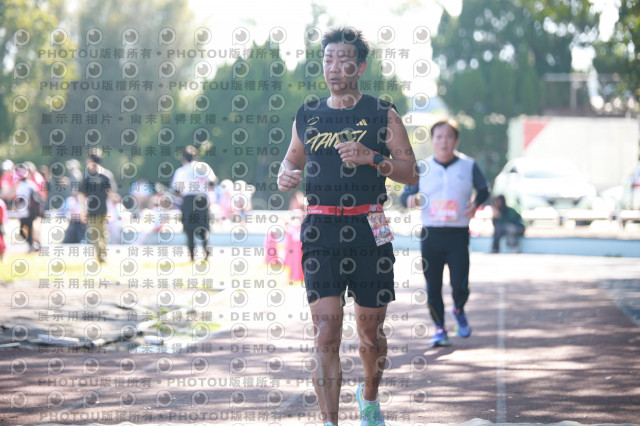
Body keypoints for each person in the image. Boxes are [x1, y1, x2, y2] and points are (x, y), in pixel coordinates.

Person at [277, 27, 418, 426]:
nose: (334, 67)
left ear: (361, 66)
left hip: (369, 229)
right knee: (325, 332)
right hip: (320, 230)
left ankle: (369, 397)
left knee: (371, 334)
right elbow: (291, 159)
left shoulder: (383, 113)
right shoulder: (308, 114)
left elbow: (411, 172)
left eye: (343, 59)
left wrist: (373, 158)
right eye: (328, 60)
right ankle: (330, 421)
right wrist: (284, 174)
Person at [400, 118, 490, 347]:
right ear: (433, 140)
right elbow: (405, 195)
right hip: (431, 235)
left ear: (456, 141)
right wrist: (410, 199)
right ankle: (440, 328)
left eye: (448, 137)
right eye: (439, 137)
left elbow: (484, 189)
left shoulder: (468, 165)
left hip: (458, 234)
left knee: (460, 285)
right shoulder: (422, 167)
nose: (443, 142)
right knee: (433, 287)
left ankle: (458, 308)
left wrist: (475, 203)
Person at [171, 145, 217, 262]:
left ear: (183, 158)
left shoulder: (181, 171)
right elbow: (212, 183)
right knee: (203, 227)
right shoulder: (203, 167)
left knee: (189, 228)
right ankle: (206, 250)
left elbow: (176, 190)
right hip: (202, 200)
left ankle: (192, 255)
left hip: (188, 200)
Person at [81, 148, 117, 263]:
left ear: (90, 160)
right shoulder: (106, 175)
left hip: (94, 210)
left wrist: (82, 210)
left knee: (95, 233)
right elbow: (112, 193)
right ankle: (103, 254)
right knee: (101, 232)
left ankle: (102, 256)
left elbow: (83, 196)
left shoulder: (88, 175)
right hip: (102, 209)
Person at [12, 165, 41, 252]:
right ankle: (35, 245)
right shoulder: (31, 184)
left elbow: (20, 200)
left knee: (22, 232)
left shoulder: (22, 186)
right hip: (32, 211)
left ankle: (33, 245)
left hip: (25, 212)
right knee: (30, 230)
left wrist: (15, 207)